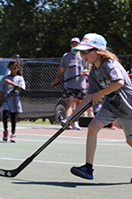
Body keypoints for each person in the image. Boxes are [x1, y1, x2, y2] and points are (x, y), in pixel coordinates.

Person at [68, 33, 132, 180]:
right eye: (80, 51)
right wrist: (73, 116)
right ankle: (88, 168)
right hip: (111, 106)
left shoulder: (110, 64)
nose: (82, 54)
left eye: (85, 51)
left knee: (130, 141)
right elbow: (89, 97)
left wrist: (100, 93)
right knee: (92, 127)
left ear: (99, 51)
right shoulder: (93, 73)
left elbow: (119, 82)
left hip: (128, 107)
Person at [52, 37, 90, 130]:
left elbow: (88, 67)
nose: (75, 45)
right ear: (70, 45)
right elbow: (61, 69)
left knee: (78, 104)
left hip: (80, 85)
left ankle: (75, 122)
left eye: (76, 43)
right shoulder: (66, 56)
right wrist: (56, 81)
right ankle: (68, 122)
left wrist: (84, 72)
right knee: (69, 103)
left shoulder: (83, 55)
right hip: (68, 85)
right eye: (73, 43)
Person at [0, 59, 26, 142]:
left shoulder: (20, 78)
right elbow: (1, 90)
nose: (13, 69)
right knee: (5, 115)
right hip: (6, 100)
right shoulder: (4, 79)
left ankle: (13, 134)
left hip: (15, 100)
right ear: (9, 68)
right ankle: (5, 130)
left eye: (15, 68)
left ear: (18, 68)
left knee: (13, 117)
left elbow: (21, 88)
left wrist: (11, 83)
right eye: (11, 68)